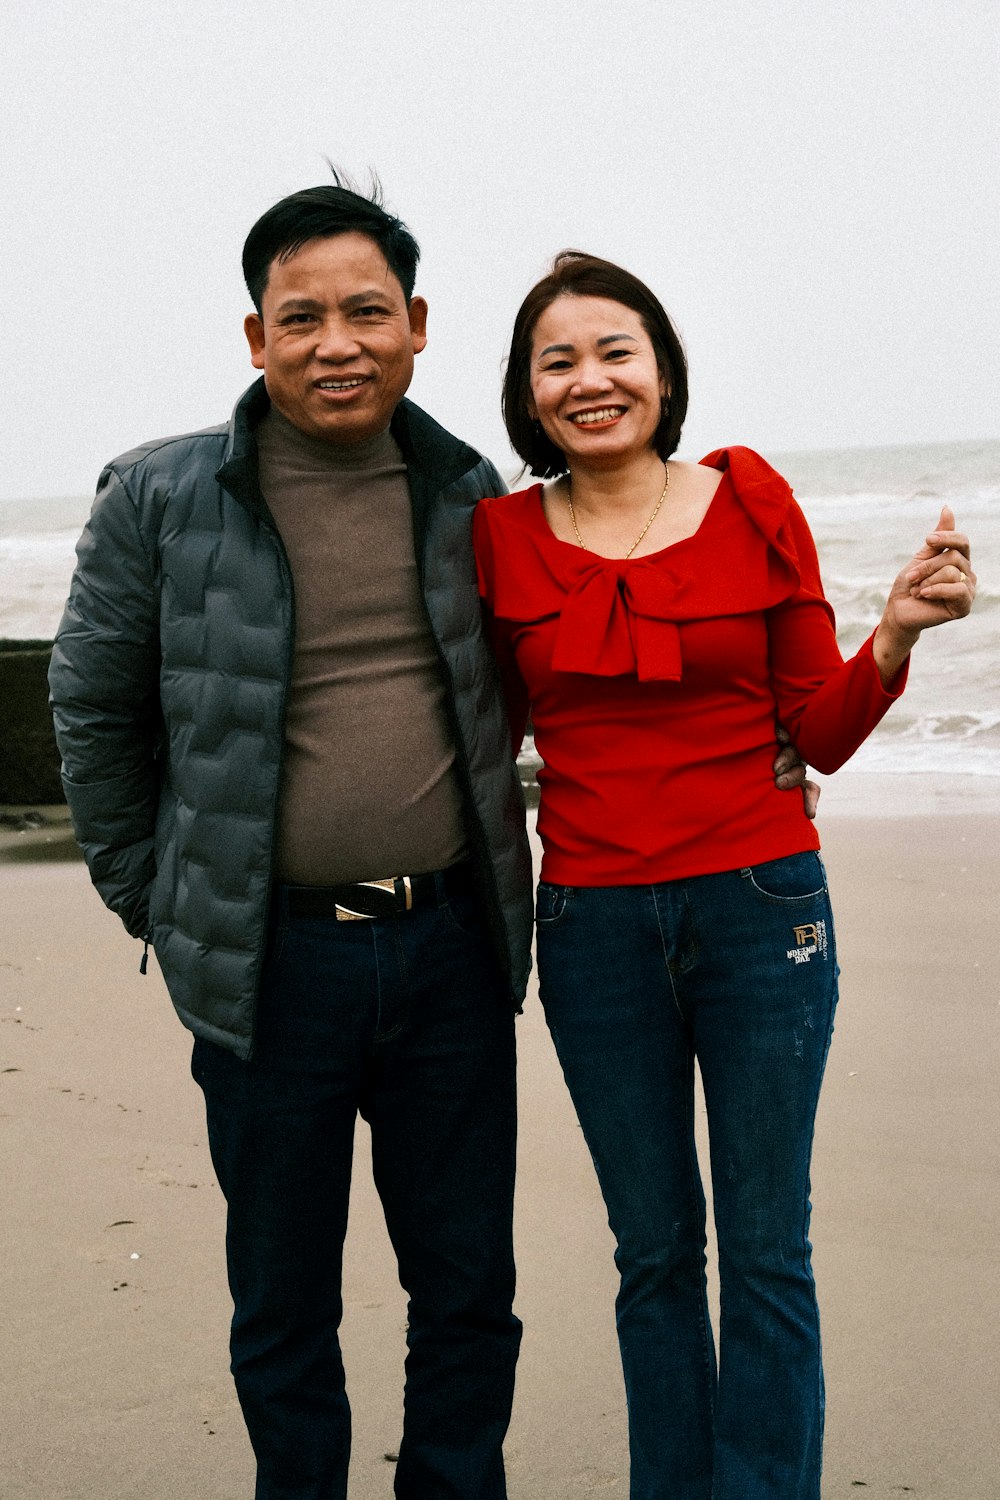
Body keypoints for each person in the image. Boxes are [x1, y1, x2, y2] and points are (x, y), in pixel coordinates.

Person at [48, 177, 535, 1500]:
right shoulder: (160, 495)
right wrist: (153, 896)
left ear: (418, 324)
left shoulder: (466, 489)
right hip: (267, 970)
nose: (338, 341)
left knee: (469, 1295)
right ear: (255, 337)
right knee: (282, 1304)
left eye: (367, 311)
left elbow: (536, 685)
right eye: (302, 314)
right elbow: (90, 709)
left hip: (448, 952)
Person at [474, 251, 975, 1500]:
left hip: (762, 913)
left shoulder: (752, 502)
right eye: (558, 362)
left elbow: (821, 731)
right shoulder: (493, 540)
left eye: (615, 352)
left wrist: (897, 632)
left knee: (764, 1251)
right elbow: (458, 726)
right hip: (588, 926)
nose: (590, 380)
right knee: (650, 1253)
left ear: (661, 370)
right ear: (529, 397)